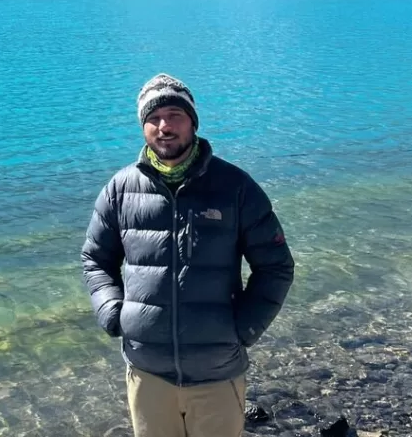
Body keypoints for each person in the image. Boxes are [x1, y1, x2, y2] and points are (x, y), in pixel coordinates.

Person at [81, 73, 294, 437]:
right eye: (154, 117)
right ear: (143, 126)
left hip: (217, 372)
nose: (164, 126)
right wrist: (113, 314)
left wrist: (244, 329)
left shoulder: (235, 187)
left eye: (175, 115)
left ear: (192, 121)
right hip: (147, 373)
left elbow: (275, 266)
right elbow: (96, 260)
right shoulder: (120, 190)